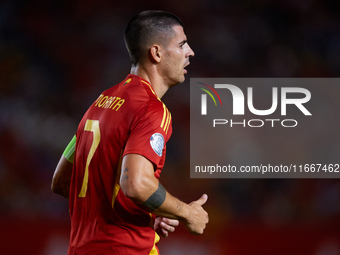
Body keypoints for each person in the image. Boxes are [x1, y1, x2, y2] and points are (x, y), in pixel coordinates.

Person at [51, 10, 209, 255]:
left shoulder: (99, 104)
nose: (190, 52)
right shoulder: (151, 109)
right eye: (182, 44)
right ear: (156, 53)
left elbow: (61, 181)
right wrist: (188, 213)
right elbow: (135, 185)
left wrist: (143, 211)